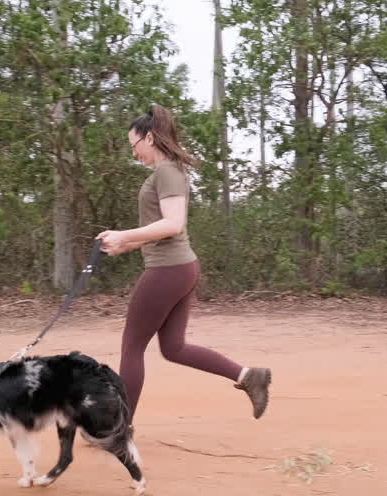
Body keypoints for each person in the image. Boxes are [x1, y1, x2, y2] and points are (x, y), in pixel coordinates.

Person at [97, 104, 272, 421]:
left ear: (149, 138)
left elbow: (173, 224)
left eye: (133, 146)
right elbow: (163, 229)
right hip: (179, 268)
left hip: (168, 270)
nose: (133, 153)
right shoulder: (169, 171)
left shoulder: (167, 171)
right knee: (173, 348)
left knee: (132, 349)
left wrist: (124, 235)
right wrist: (126, 245)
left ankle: (117, 428)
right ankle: (249, 377)